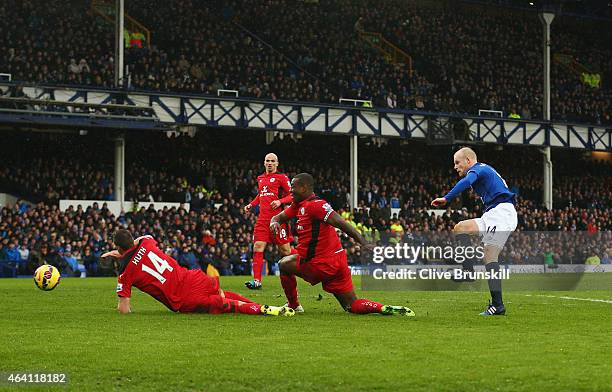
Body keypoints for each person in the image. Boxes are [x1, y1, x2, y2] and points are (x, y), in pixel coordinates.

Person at [270, 173, 415, 316]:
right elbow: (279, 217)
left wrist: (364, 243)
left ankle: (294, 306)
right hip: (338, 262)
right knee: (351, 305)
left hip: (320, 263)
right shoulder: (299, 205)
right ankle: (381, 308)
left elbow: (341, 223)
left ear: (304, 188)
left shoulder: (316, 205)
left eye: (293, 187)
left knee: (284, 264)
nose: (290, 191)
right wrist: (274, 222)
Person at [101, 229, 294, 317]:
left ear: (117, 247)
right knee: (223, 295)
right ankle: (263, 306)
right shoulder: (147, 242)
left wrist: (118, 257)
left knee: (226, 305)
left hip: (184, 298)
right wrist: (121, 252)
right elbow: (140, 241)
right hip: (193, 277)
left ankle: (265, 311)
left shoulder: (125, 274)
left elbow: (124, 309)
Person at [431, 147, 517, 316]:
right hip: (493, 213)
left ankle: (498, 306)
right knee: (460, 228)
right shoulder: (484, 169)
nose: (455, 167)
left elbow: (466, 182)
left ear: (468, 161)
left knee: (489, 256)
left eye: (457, 162)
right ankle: (468, 271)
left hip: (502, 212)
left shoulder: (477, 169)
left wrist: (446, 198)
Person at [243, 153, 295, 289]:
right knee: (257, 247)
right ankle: (257, 281)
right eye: (268, 161)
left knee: (286, 251)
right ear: (264, 163)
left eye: (273, 161)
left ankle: (302, 269)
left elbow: (292, 195)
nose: (270, 163)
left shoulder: (282, 178)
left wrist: (280, 201)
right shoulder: (260, 178)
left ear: (277, 164)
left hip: (278, 220)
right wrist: (251, 205)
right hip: (262, 220)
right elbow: (261, 194)